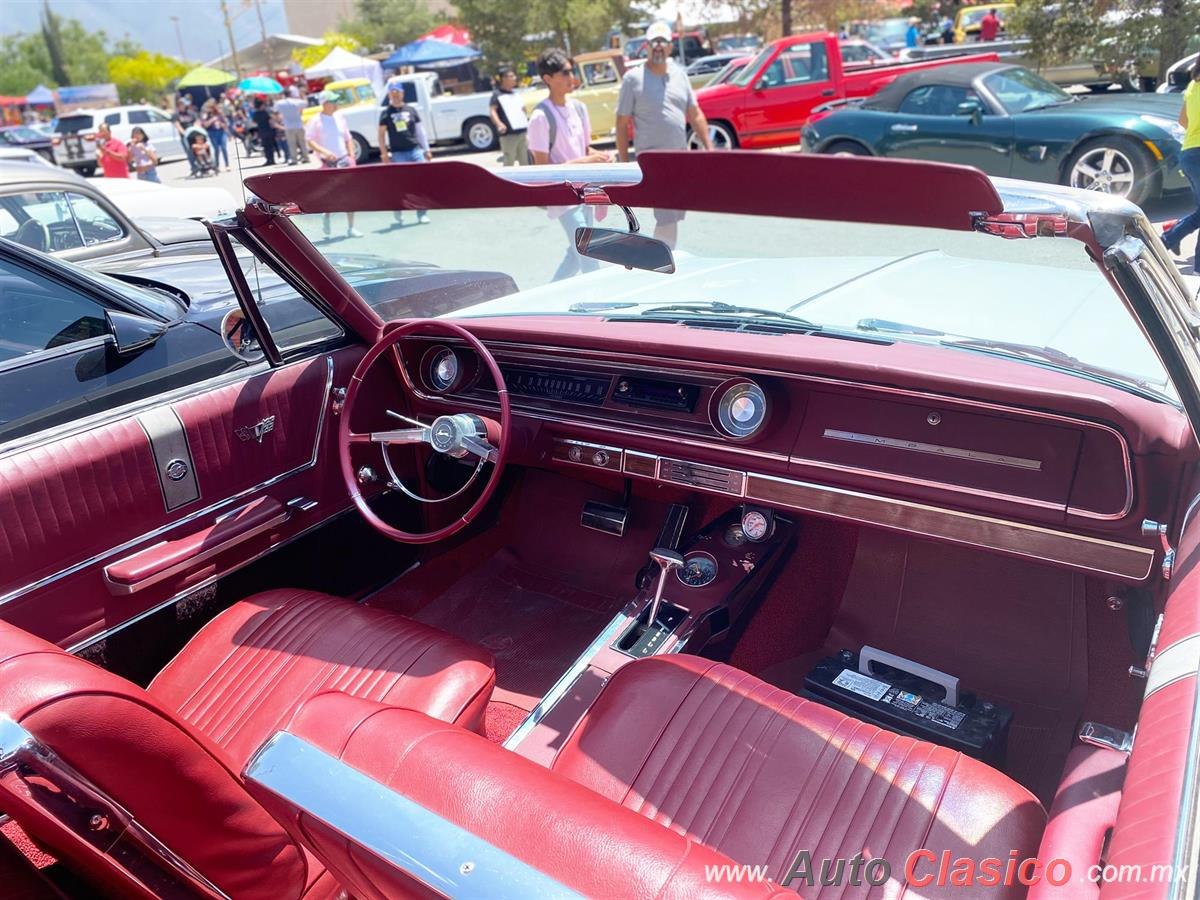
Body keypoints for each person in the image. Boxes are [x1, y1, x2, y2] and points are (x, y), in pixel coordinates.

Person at [615, 20, 712, 247]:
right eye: (654, 42)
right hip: (653, 162)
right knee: (666, 215)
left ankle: (664, 255)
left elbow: (695, 114)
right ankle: (662, 260)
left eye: (663, 42)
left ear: (670, 46)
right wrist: (623, 162)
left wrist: (709, 149)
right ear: (647, 46)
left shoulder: (680, 75)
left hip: (680, 159)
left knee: (673, 215)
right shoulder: (633, 78)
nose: (658, 47)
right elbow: (621, 123)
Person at [527, 48, 612, 281]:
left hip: (586, 192)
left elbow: (585, 149)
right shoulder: (540, 117)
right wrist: (587, 160)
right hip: (563, 196)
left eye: (571, 71)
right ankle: (598, 304)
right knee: (587, 251)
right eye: (564, 72)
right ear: (548, 79)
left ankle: (547, 299)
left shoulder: (579, 109)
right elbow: (541, 169)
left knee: (577, 253)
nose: (571, 77)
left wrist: (601, 156)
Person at [306, 90, 361, 238]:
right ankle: (326, 215)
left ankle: (351, 227)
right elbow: (310, 141)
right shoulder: (316, 120)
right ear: (325, 103)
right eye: (333, 101)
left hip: (344, 160)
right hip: (328, 163)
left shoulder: (340, 117)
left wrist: (351, 155)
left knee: (350, 194)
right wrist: (324, 152)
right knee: (331, 196)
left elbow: (348, 137)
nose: (336, 104)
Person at [378, 79, 432, 225]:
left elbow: (421, 132)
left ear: (402, 93)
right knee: (401, 184)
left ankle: (421, 213)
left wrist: (426, 149)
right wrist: (384, 154)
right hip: (398, 153)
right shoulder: (386, 113)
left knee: (420, 182)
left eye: (398, 92)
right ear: (389, 94)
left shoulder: (411, 109)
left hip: (415, 150)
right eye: (392, 92)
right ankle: (398, 207)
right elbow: (381, 135)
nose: (395, 95)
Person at [1163, 60, 1200, 256]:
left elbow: (1182, 120)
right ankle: (1168, 239)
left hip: (1189, 152)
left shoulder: (1193, 85)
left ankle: (1170, 236)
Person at [489, 66, 528, 167]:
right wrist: (499, 124)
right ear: (504, 79)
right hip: (508, 134)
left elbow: (523, 110)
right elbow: (493, 111)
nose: (514, 78)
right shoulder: (497, 95)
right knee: (509, 160)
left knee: (525, 161)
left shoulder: (515, 94)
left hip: (522, 132)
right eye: (511, 76)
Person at [275, 86, 309, 165]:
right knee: (302, 142)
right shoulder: (296, 101)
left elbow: (275, 111)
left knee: (291, 144)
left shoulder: (280, 103)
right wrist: (303, 95)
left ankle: (294, 160)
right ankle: (306, 157)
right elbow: (306, 103)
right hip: (299, 124)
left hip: (288, 126)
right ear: (290, 94)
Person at [200, 99, 231, 171]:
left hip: (221, 132)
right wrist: (212, 120)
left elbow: (225, 124)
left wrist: (228, 133)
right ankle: (217, 165)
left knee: (224, 148)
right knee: (216, 149)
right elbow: (205, 125)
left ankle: (227, 165)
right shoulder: (206, 115)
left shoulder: (219, 114)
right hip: (212, 133)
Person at [175, 97, 200, 176]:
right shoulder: (177, 115)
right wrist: (185, 133)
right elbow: (177, 125)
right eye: (182, 104)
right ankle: (194, 168)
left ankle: (201, 165)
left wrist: (195, 127)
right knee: (189, 152)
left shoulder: (190, 113)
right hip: (185, 136)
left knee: (197, 150)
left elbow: (196, 121)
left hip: (193, 134)